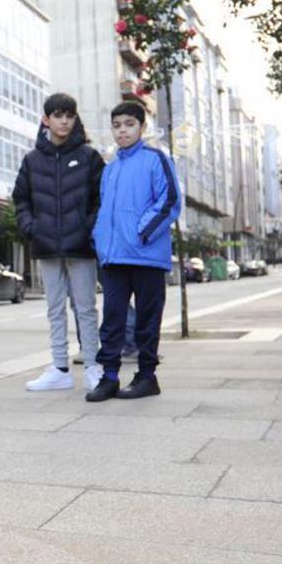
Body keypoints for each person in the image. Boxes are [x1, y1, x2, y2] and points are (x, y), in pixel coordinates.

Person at [88, 101, 182, 401]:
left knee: (146, 320)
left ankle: (146, 376)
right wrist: (99, 240)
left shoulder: (157, 159)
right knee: (113, 319)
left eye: (129, 124)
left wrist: (142, 232)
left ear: (142, 127)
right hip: (114, 257)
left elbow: (169, 202)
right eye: (117, 125)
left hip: (146, 255)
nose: (122, 130)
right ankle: (110, 377)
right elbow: (105, 211)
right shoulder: (110, 169)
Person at [12, 93, 105, 393]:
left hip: (81, 246)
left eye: (69, 115)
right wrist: (32, 229)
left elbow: (100, 200)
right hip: (47, 245)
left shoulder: (89, 157)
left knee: (86, 307)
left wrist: (89, 229)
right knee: (54, 308)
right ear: (46, 119)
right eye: (58, 115)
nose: (64, 121)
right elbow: (21, 199)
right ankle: (60, 368)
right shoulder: (32, 160)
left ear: (75, 119)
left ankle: (93, 365)